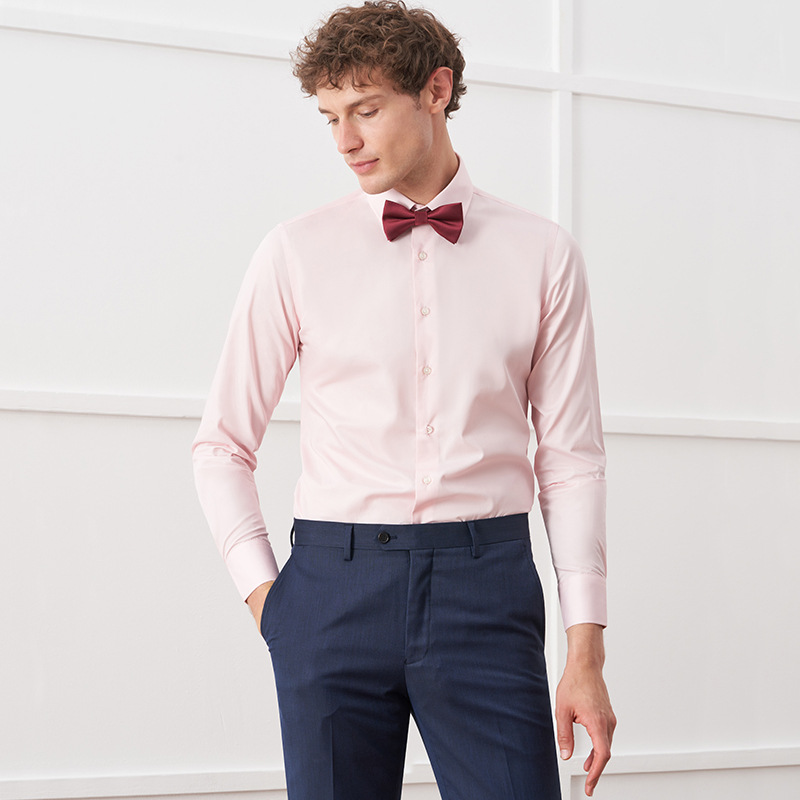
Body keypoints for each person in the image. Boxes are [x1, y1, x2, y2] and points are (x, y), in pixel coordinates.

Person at [192, 2, 616, 798]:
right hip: (331, 590)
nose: (344, 141)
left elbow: (570, 461)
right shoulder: (294, 253)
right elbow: (221, 446)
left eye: (365, 109)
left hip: (486, 590)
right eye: (330, 117)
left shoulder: (542, 254)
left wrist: (585, 651)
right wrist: (272, 606)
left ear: (436, 91)